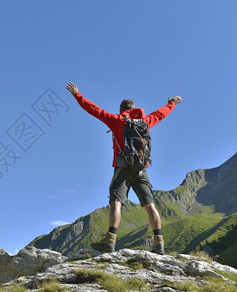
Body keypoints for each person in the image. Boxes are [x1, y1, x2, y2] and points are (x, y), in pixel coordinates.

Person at [66, 82, 182, 255]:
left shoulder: (117, 120)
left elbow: (94, 110)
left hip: (122, 169)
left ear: (122, 109)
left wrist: (77, 95)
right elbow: (161, 113)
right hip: (142, 170)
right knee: (150, 205)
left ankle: (110, 241)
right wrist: (172, 102)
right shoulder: (146, 121)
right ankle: (159, 244)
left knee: (116, 202)